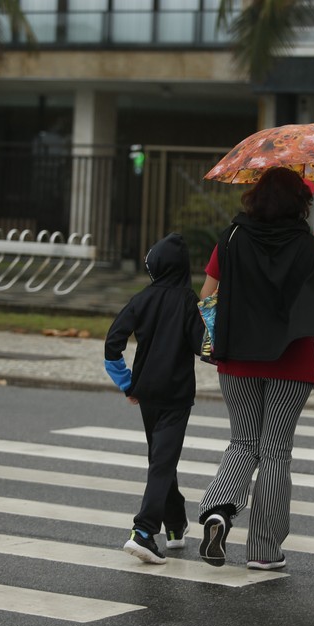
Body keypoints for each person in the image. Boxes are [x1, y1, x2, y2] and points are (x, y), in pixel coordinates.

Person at [197, 167, 314, 571]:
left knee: (242, 442)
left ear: (255, 198)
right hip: (290, 361)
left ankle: (218, 511)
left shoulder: (232, 238)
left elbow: (207, 296)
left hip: (236, 357)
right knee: (275, 451)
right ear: (300, 204)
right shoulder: (309, 248)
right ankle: (263, 551)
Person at [104, 232, 205, 564]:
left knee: (162, 459)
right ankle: (144, 531)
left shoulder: (141, 299)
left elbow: (112, 344)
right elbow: (203, 347)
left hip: (146, 393)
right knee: (163, 460)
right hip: (176, 395)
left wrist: (127, 383)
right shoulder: (189, 301)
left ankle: (175, 526)